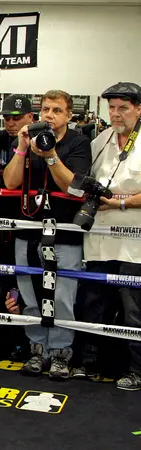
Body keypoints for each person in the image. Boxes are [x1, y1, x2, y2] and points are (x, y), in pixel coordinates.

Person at [3, 89, 92, 380]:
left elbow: (73, 187)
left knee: (63, 296)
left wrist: (51, 155)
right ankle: (37, 349)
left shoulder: (78, 142)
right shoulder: (29, 139)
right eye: (46, 110)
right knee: (30, 294)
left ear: (69, 115)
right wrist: (21, 147)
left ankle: (61, 353)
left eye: (56, 111)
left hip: (64, 231)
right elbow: (11, 182)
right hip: (28, 228)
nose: (49, 116)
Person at [75, 82, 141, 389]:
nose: (116, 114)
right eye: (112, 108)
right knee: (94, 303)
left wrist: (120, 201)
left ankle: (137, 370)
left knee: (134, 311)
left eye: (123, 108)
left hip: (134, 243)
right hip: (99, 239)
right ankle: (93, 363)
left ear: (139, 109)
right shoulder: (101, 139)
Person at [0, 94, 35, 360]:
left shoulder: (36, 141)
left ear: (30, 118)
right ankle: (0, 337)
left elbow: (14, 181)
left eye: (17, 118)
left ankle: (24, 340)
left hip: (24, 224)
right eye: (7, 118)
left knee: (23, 286)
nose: (11, 123)